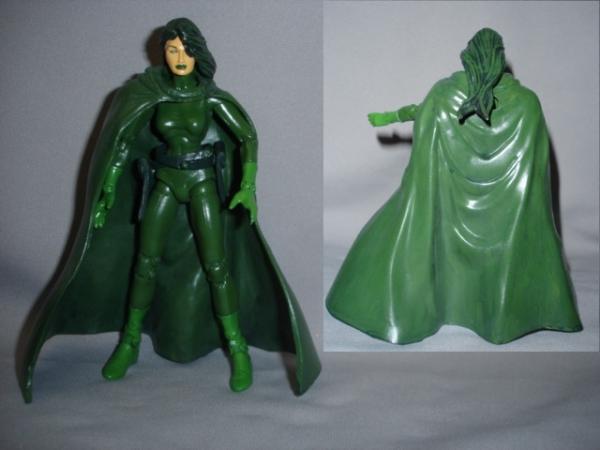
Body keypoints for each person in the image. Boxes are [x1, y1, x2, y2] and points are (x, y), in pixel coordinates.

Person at [18, 18, 320, 402]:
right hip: (164, 180)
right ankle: (129, 342)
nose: (179, 57)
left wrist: (247, 186)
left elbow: (247, 136)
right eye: (172, 50)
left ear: (198, 54)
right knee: (145, 262)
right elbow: (123, 141)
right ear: (163, 52)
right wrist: (108, 187)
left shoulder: (210, 97)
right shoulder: (150, 93)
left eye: (186, 50)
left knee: (217, 266)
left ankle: (237, 347)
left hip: (201, 182)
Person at [326, 28, 583, 345]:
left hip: (452, 218)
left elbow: (426, 110)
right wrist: (396, 115)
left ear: (468, 57)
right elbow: (535, 184)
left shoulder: (444, 95)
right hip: (506, 231)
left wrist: (394, 116)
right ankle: (498, 311)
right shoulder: (527, 104)